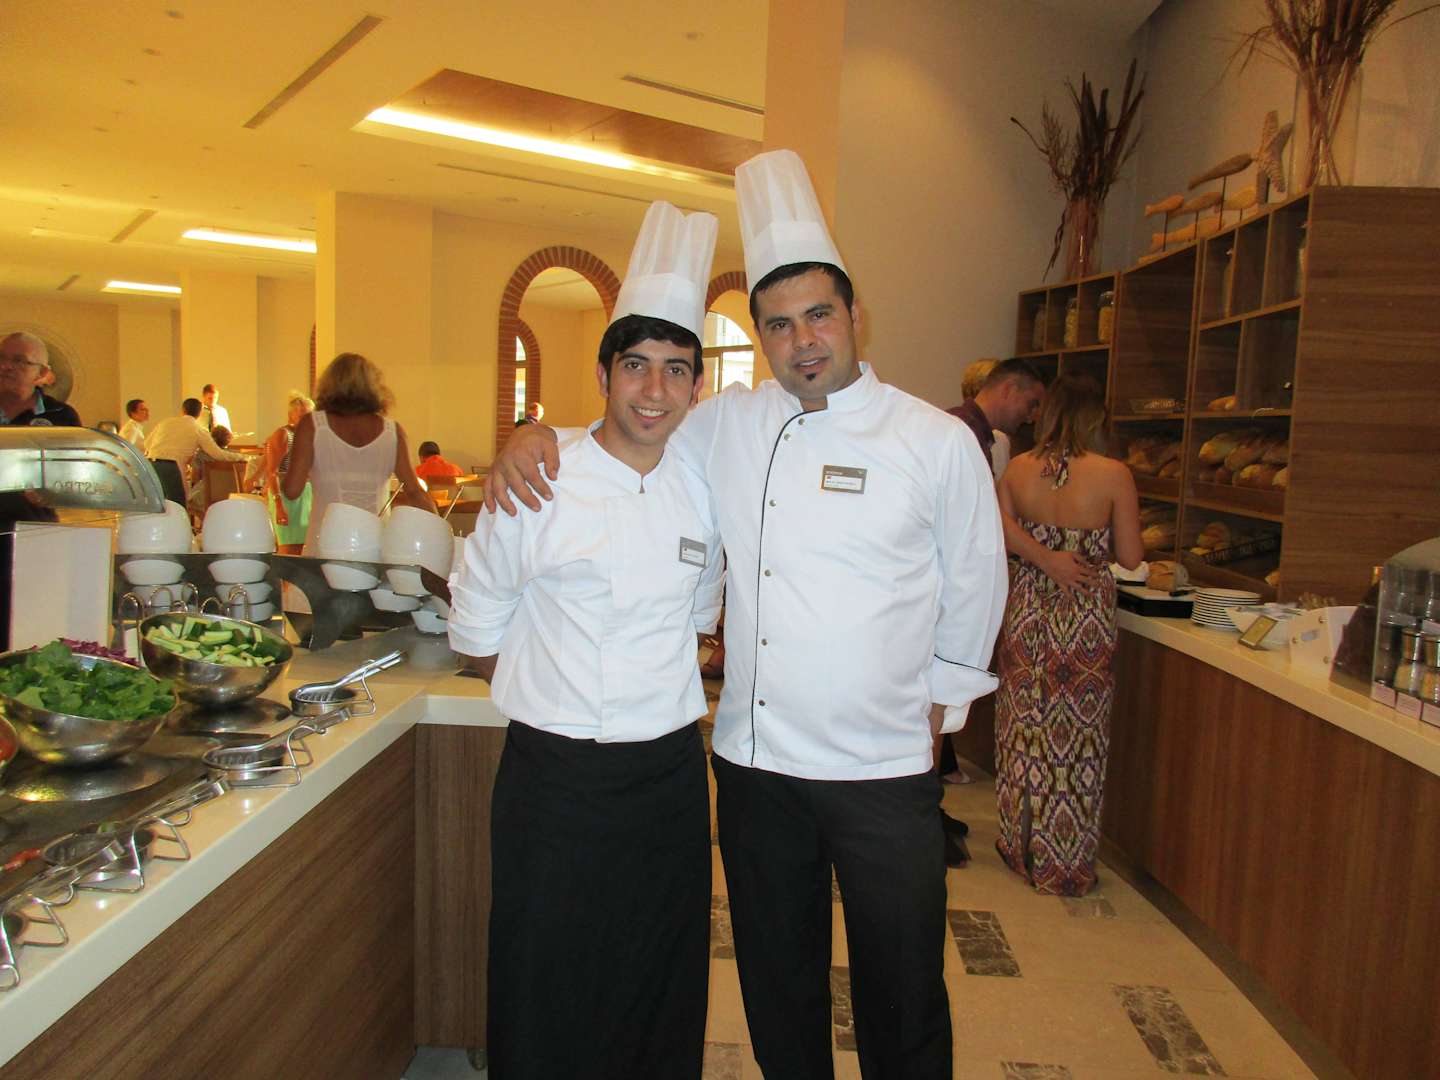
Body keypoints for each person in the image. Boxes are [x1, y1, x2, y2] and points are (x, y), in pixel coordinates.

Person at [485, 149, 1006, 1080]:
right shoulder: (728, 422)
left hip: (883, 769)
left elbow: (976, 580)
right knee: (778, 987)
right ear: (760, 337)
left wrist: (943, 706)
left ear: (854, 315)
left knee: (902, 993)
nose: (802, 340)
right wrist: (534, 435)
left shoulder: (932, 441)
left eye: (819, 315)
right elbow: (627, 428)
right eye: (778, 324)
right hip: (758, 768)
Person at [451, 202, 721, 1080]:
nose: (654, 390)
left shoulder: (702, 490)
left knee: (658, 969)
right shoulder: (541, 478)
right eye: (636, 365)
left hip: (668, 773)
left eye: (675, 371)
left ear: (695, 388)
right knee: (547, 971)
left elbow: (699, 620)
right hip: (556, 777)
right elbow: (476, 624)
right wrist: (551, 695)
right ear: (605, 373)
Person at [994, 373, 1142, 896]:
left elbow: (998, 529)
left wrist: (1040, 554)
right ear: (1096, 417)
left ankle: (1020, 847)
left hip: (1027, 608)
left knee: (1022, 729)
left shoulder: (1017, 468)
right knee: (1077, 739)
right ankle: (1064, 861)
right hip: (1084, 617)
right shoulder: (1113, 474)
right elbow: (1131, 557)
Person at [282, 353, 435, 561]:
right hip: (375, 546)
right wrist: (441, 532)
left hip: (326, 542)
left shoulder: (312, 425)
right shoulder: (393, 431)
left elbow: (292, 490)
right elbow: (415, 492)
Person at [146, 397, 245, 506]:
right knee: (178, 506)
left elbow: (147, 444)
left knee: (157, 505)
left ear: (183, 410)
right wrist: (242, 457)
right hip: (172, 467)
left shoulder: (165, 423)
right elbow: (218, 454)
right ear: (200, 413)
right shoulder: (198, 430)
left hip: (151, 465)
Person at [263, 391, 314, 555]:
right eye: (303, 415)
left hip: (306, 494)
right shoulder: (283, 435)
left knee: (303, 548)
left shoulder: (308, 436)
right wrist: (279, 505)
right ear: (291, 415)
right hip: (286, 496)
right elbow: (272, 472)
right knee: (288, 547)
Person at [0, 332, 80, 427]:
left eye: (18, 361)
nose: (4, 366)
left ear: (42, 372)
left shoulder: (62, 415)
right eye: (1, 358)